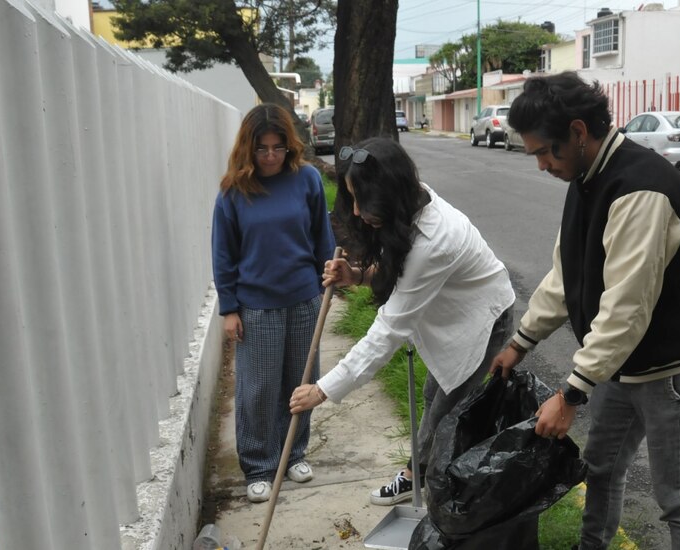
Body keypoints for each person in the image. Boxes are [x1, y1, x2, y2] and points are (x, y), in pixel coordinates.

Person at [491, 72, 680, 550]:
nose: (540, 165)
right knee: (601, 469)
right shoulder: (584, 178)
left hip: (671, 371)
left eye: (543, 151)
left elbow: (627, 307)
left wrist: (573, 393)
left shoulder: (641, 188)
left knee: (678, 498)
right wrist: (520, 343)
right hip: (620, 367)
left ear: (578, 132)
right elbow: (566, 275)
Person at [288, 137, 515, 506]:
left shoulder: (437, 239)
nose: (358, 212)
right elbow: (401, 267)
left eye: (365, 202)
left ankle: (445, 503)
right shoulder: (412, 201)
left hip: (483, 319)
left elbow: (388, 331)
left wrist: (324, 389)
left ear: (390, 196)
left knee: (448, 414)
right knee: (433, 396)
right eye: (353, 199)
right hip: (450, 308)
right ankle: (421, 476)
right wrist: (358, 276)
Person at [211, 103, 336, 504]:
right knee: (258, 389)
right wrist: (229, 308)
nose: (269, 156)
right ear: (248, 148)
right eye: (262, 148)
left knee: (301, 383)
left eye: (277, 148)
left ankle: (293, 453)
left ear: (289, 146)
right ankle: (260, 465)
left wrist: (329, 282)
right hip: (256, 306)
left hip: (303, 298)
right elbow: (223, 253)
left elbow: (322, 236)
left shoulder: (308, 180)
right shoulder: (234, 191)